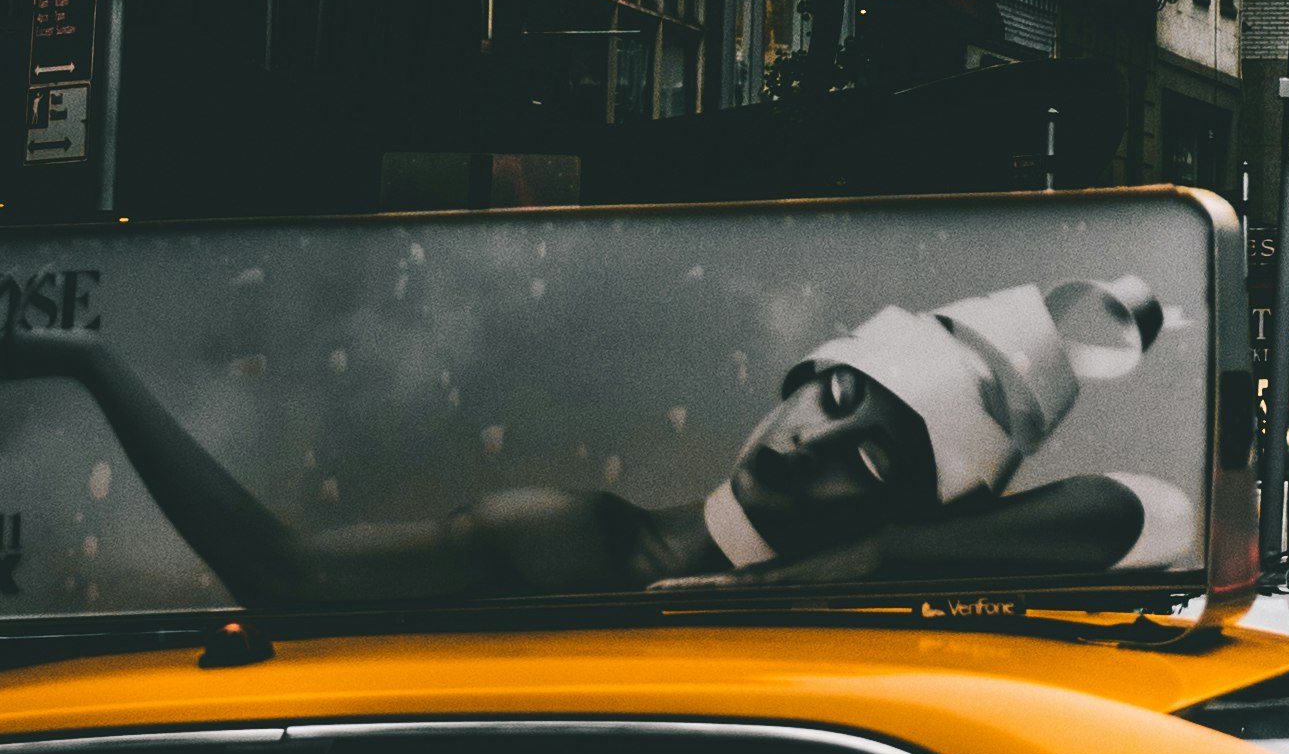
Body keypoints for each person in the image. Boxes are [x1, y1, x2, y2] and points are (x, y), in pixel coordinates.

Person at [3, 269, 1187, 617]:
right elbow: (286, 577)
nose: (808, 444)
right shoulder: (574, 541)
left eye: (871, 463)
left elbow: (1153, 512)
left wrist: (879, 564)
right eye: (832, 397)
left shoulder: (866, 596)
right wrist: (94, 366)